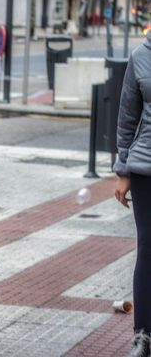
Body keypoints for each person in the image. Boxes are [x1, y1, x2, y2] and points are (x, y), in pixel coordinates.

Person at [114, 30, 151, 357]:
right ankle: (143, 336)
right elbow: (127, 118)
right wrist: (123, 169)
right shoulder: (141, 57)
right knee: (147, 249)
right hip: (146, 169)